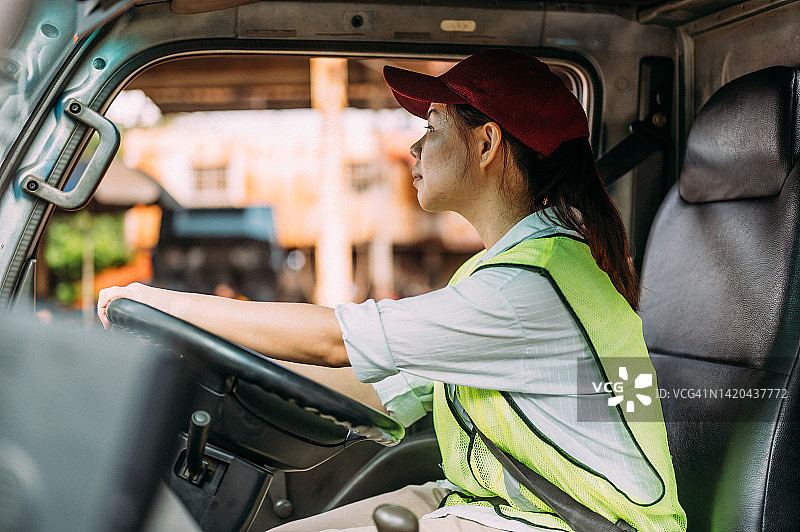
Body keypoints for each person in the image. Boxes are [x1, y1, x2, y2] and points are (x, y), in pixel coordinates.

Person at [98, 49, 686, 532]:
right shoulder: (523, 271)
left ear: (486, 145)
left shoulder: (525, 287)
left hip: (574, 522)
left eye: (431, 129)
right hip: (511, 504)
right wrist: (232, 371)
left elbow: (334, 340)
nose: (414, 148)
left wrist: (167, 304)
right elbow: (373, 385)